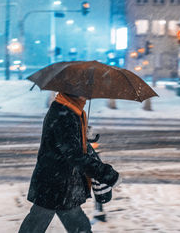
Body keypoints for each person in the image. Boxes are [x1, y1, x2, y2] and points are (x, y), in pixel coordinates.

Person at [19, 92, 120, 233]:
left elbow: (67, 145)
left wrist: (82, 136)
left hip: (63, 185)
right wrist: (105, 173)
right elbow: (74, 155)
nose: (88, 94)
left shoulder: (69, 110)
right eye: (84, 91)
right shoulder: (64, 114)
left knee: (79, 228)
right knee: (36, 226)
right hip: (54, 185)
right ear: (75, 92)